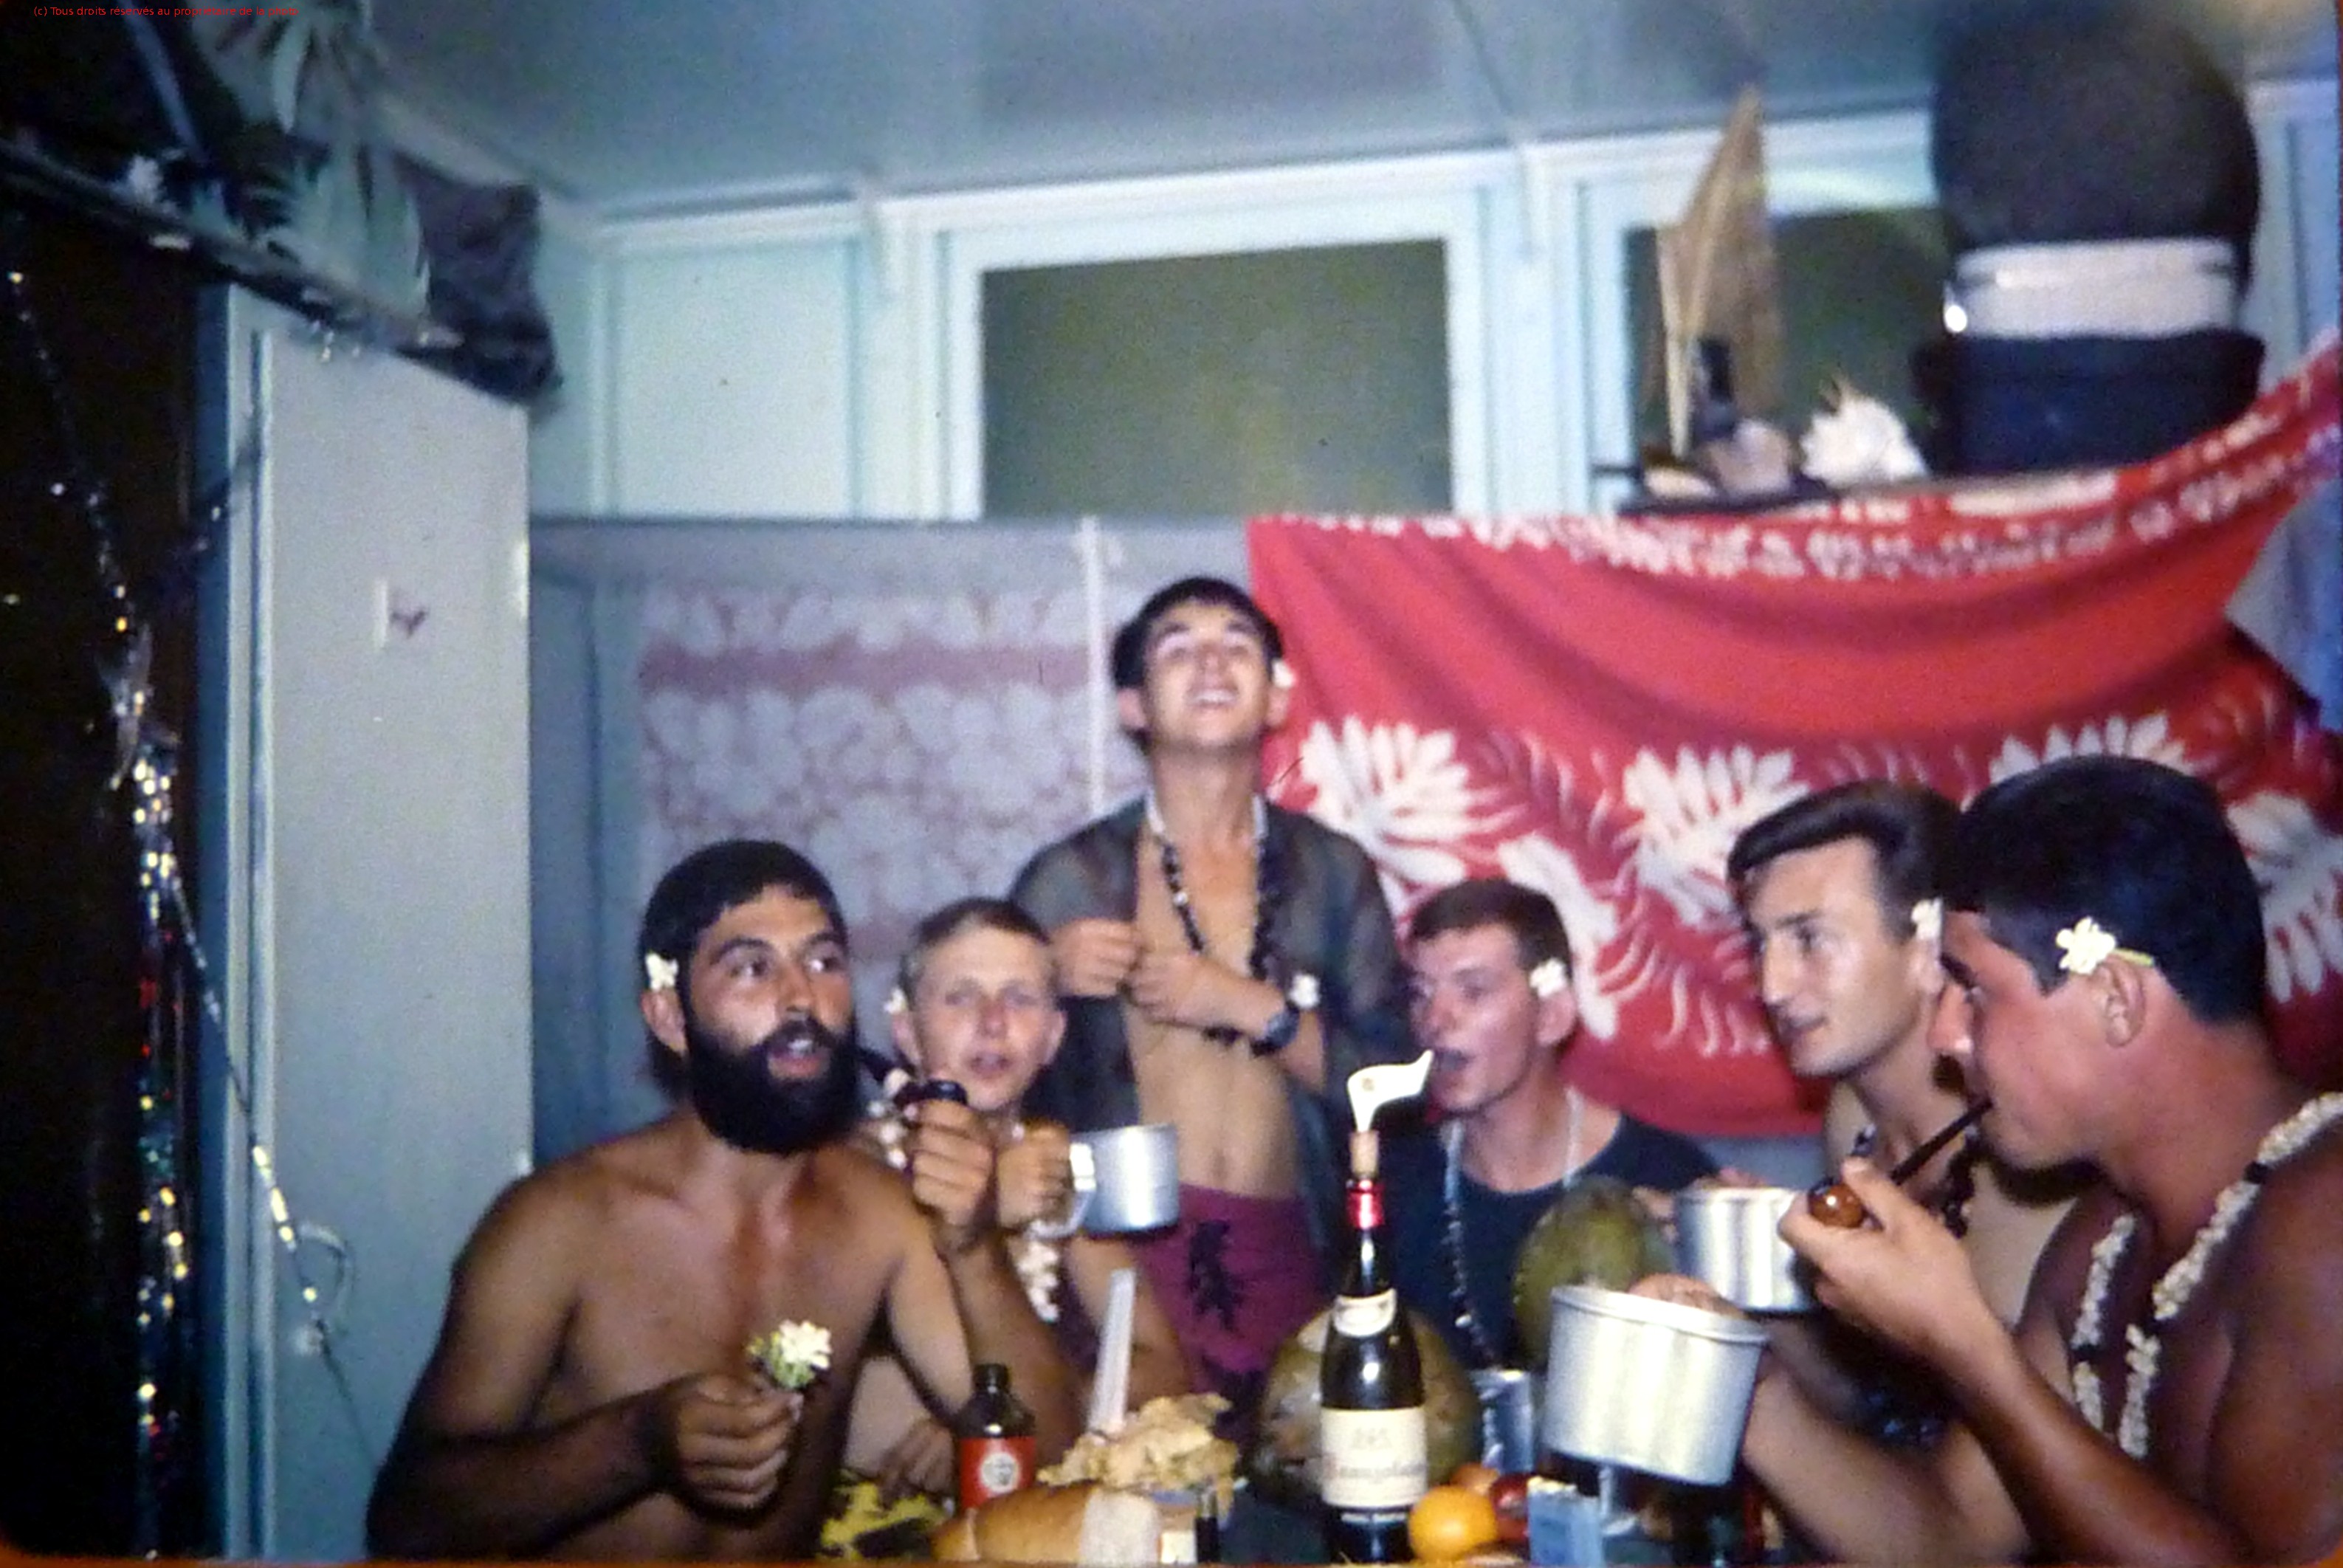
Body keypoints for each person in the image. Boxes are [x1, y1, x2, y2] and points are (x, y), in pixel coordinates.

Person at [367, 840, 1084, 1561]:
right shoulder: (557, 1223)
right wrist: (638, 1442)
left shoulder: (880, 1215)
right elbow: (410, 1521)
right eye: (750, 968)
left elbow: (1054, 1456)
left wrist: (974, 1246)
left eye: (823, 962)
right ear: (670, 1018)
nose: (800, 998)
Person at [1746, 757, 2343, 1564]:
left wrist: (1969, 1347)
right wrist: (1751, 1396)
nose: (1945, 1036)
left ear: (2114, 999)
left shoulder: (2325, 1220)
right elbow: (1953, 1538)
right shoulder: (2100, 1244)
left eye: (1974, 991)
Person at [1009, 576, 1415, 1432]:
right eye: (1178, 648)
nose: (1211, 663)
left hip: (1297, 1252)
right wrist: (1039, 978)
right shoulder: (1070, 880)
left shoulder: (1332, 872)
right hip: (1117, 1263)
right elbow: (979, 1070)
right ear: (1132, 705)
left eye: (1237, 644)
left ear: (1276, 698)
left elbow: (1396, 1091)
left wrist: (1252, 1007)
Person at [828, 897, 1190, 1553]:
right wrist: (991, 1211)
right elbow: (842, 1390)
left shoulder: (1053, 1167)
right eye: (961, 997)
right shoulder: (856, 1170)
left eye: (1019, 998)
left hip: (1026, 1507)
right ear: (907, 1032)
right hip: (879, 1522)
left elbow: (1163, 1369)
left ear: (1052, 1037)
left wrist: (987, 1427)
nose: (993, 1024)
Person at [1727, 780, 2081, 1443]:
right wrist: (1748, 1289)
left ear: (1928, 949)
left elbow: (1987, 1489)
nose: (1771, 987)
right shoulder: (1853, 1119)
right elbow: (1876, 1415)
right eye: (1759, 944)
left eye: (1810, 939)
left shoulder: (2025, 1164)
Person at [1383, 878, 1716, 1371]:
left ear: (1553, 1016)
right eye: (1421, 993)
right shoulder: (1393, 1181)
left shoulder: (1661, 1177)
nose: (1435, 1020)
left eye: (1473, 991)